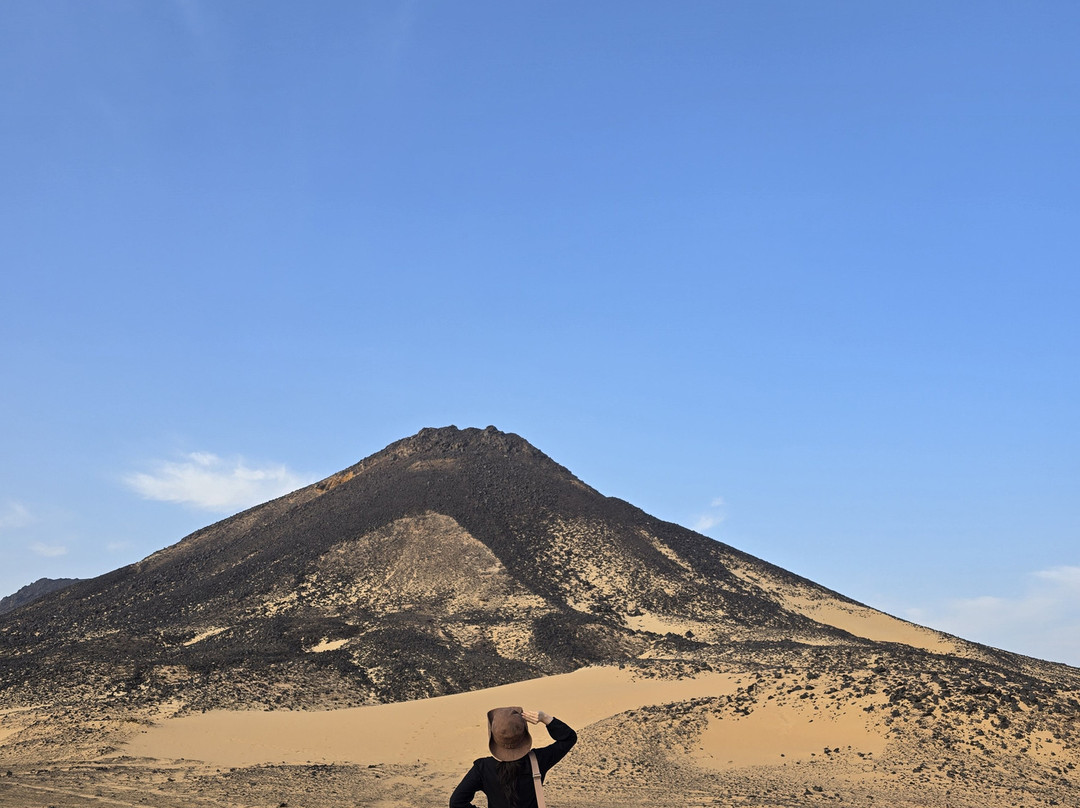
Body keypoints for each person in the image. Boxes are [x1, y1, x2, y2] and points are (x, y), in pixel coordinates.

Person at [449, 706, 577, 808]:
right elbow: (568, 738)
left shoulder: (482, 768)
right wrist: (544, 718)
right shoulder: (538, 760)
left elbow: (456, 802)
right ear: (524, 733)